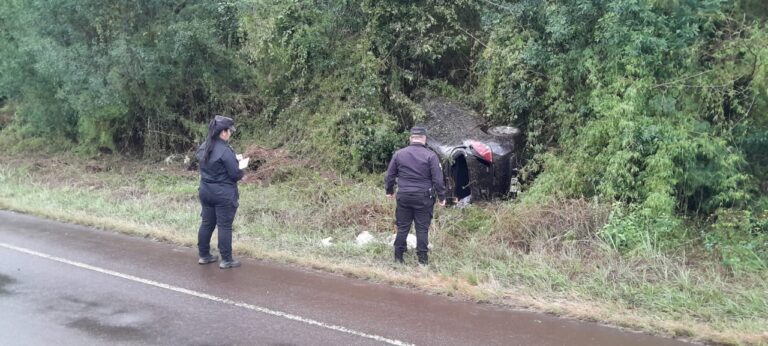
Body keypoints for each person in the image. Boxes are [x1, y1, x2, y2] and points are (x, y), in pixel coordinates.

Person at [385, 127, 447, 265]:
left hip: (404, 196)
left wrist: (389, 191)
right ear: (424, 139)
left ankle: (398, 258)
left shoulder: (399, 154)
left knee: (402, 227)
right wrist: (442, 197)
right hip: (424, 198)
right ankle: (423, 261)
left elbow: (389, 175)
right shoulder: (430, 156)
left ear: (411, 138)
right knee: (422, 229)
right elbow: (438, 179)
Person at [196, 115, 245, 269]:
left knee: (207, 223)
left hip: (205, 190)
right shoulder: (225, 150)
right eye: (229, 131)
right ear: (223, 132)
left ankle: (204, 255)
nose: (230, 133)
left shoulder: (204, 146)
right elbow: (235, 174)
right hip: (223, 194)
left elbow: (205, 163)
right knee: (224, 226)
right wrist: (241, 167)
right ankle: (226, 259)